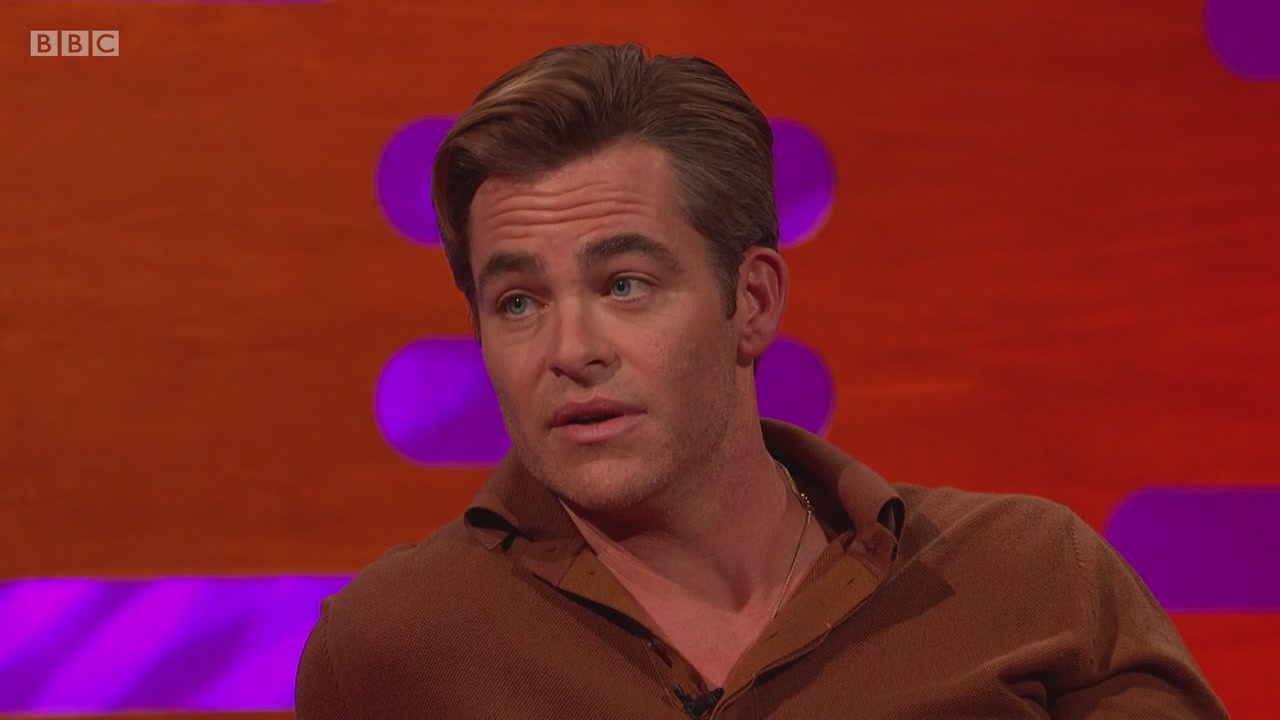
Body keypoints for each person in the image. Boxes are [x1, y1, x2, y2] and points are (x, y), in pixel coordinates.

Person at [294, 43, 1228, 719]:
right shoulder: (394, 648)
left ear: (752, 302)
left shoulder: (1031, 579)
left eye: (625, 285)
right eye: (518, 302)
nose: (570, 349)